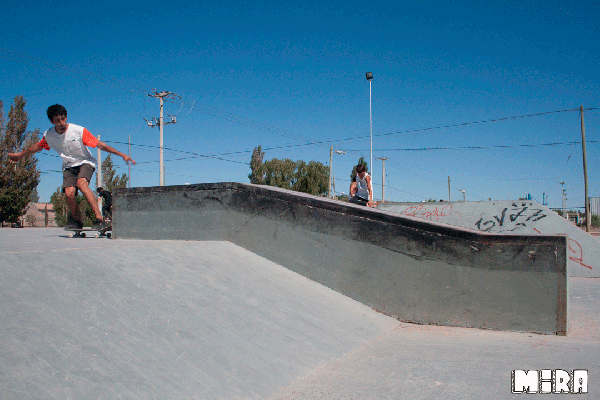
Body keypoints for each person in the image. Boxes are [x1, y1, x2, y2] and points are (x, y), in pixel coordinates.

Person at [8, 104, 135, 230]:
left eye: (63, 119)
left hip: (85, 161)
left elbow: (100, 145)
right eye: (57, 120)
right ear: (52, 121)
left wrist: (121, 154)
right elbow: (37, 147)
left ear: (66, 117)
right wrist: (20, 155)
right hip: (69, 165)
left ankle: (99, 219)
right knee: (69, 193)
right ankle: (77, 221)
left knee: (82, 184)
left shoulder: (78, 131)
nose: (61, 123)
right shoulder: (49, 135)